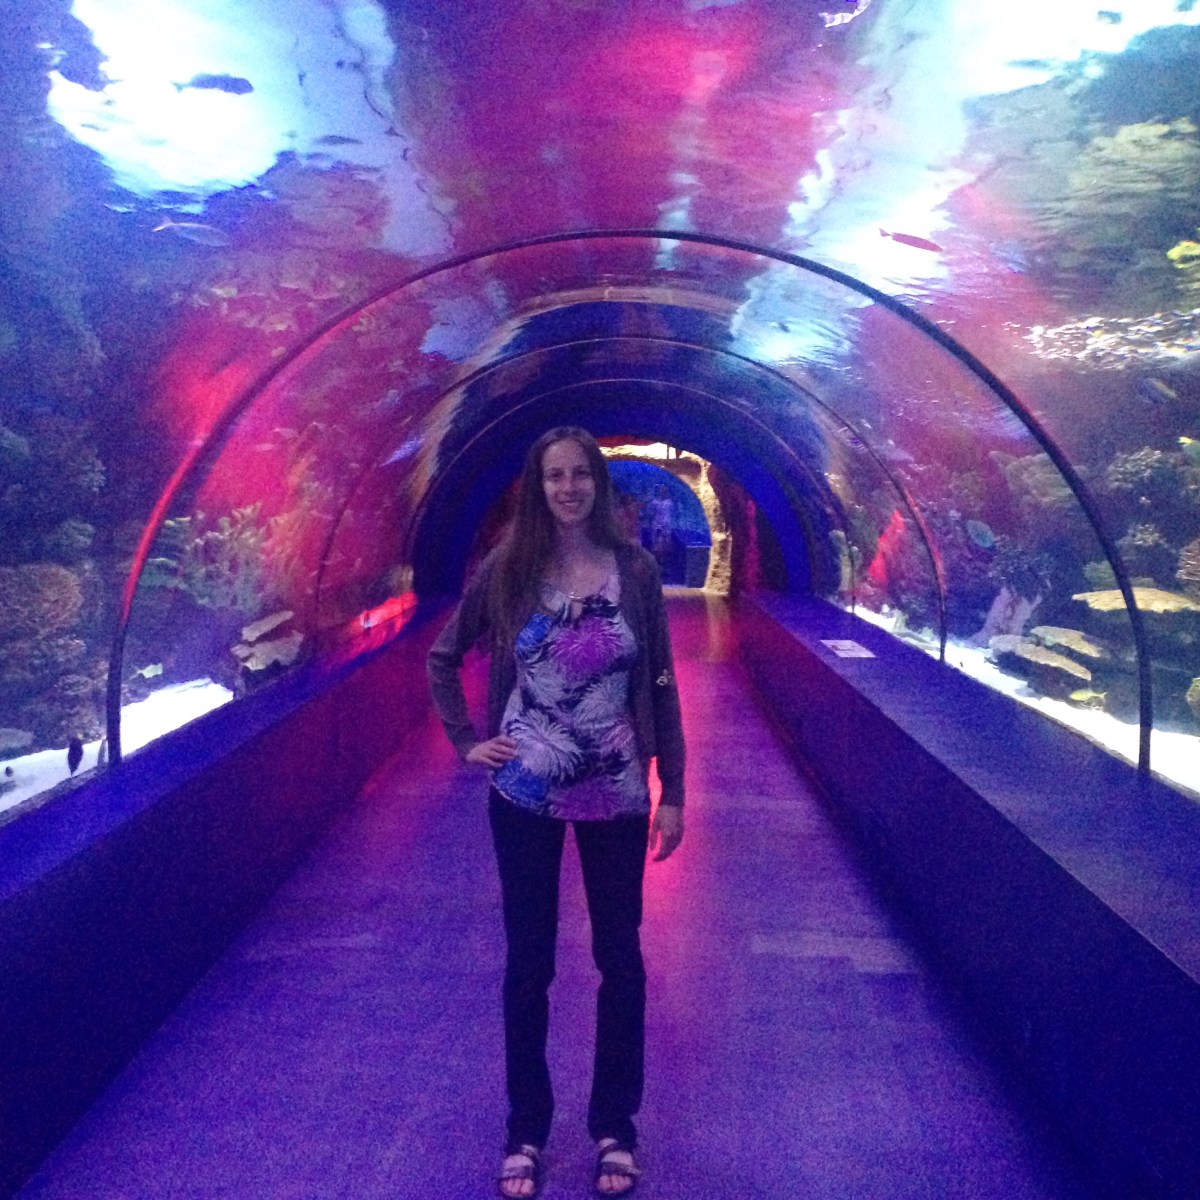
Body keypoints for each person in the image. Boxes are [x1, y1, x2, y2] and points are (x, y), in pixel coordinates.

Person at [427, 426, 685, 1198]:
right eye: (553, 476)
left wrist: (673, 789)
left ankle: (615, 1127)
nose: (567, 488)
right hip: (525, 792)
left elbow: (661, 683)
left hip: (616, 790)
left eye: (579, 475)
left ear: (597, 484)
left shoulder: (635, 570)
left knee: (621, 961)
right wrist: (468, 740)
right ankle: (526, 1130)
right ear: (537, 488)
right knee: (528, 965)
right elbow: (444, 655)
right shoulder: (509, 568)